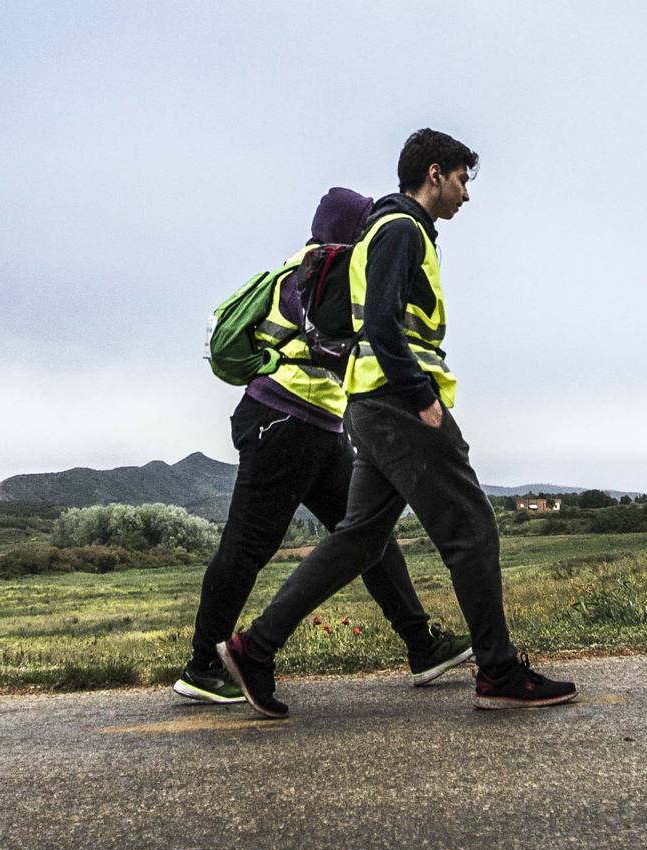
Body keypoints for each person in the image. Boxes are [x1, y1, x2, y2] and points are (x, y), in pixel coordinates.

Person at [220, 129, 577, 717]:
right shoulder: (399, 229)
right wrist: (421, 397)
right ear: (434, 174)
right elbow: (382, 325)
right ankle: (499, 671)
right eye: (462, 179)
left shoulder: (394, 231)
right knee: (472, 527)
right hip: (398, 405)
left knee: (360, 538)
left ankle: (255, 648)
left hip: (370, 406)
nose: (466, 194)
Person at [175, 188, 473, 705]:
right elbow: (346, 341)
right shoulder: (319, 273)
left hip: (314, 428)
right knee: (249, 544)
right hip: (285, 422)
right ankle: (204, 665)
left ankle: (421, 644)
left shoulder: (303, 270)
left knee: (365, 533)